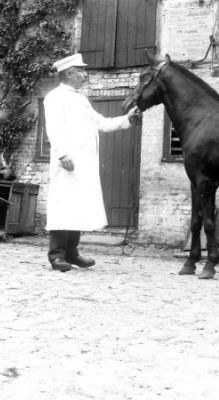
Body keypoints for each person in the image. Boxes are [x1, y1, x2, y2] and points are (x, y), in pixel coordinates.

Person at [44, 53, 137, 272]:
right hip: (66, 162)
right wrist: (62, 154)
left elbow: (100, 123)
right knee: (62, 205)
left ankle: (72, 253)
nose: (85, 75)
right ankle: (57, 256)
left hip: (83, 164)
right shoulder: (55, 97)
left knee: (77, 206)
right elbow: (53, 128)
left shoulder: (80, 99)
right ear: (69, 73)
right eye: (81, 70)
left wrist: (127, 119)